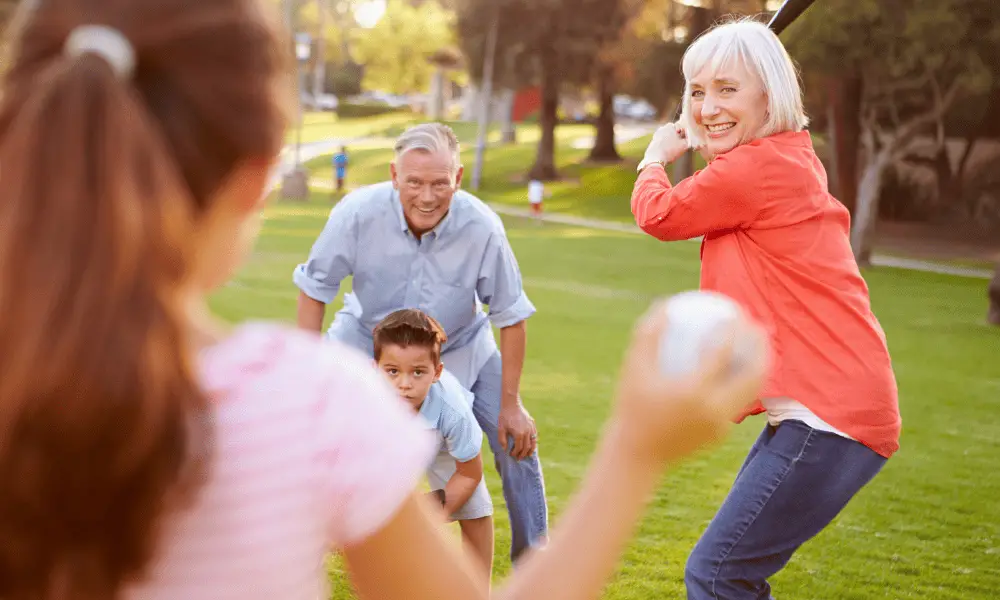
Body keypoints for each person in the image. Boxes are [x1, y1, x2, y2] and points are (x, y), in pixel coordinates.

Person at [0, 2, 774, 599]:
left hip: (454, 357)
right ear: (255, 177)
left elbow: (508, 313)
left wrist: (505, 403)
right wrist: (637, 448)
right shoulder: (302, 406)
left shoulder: (336, 373)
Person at [630, 18, 903, 600]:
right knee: (727, 573)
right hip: (823, 412)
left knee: (719, 573)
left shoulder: (756, 170)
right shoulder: (783, 158)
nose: (707, 107)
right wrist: (711, 132)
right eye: (697, 91)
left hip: (829, 414)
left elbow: (661, 215)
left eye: (728, 88)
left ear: (769, 94)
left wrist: (653, 158)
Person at [294, 122, 548, 563]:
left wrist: (511, 403)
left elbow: (511, 316)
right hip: (366, 338)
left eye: (439, 184)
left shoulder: (483, 226)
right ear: (394, 175)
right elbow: (315, 288)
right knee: (308, 427)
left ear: (459, 178)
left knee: (517, 440)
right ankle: (301, 546)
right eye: (414, 182)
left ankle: (534, 564)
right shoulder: (356, 214)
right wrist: (308, 376)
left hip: (461, 344)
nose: (426, 197)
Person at [373, 309, 495, 588]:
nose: (404, 384)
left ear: (437, 372)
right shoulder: (366, 401)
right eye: (392, 371)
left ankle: (479, 590)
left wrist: (432, 514)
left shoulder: (454, 413)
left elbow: (469, 474)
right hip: (390, 436)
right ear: (374, 369)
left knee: (474, 505)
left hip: (441, 439)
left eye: (418, 372)